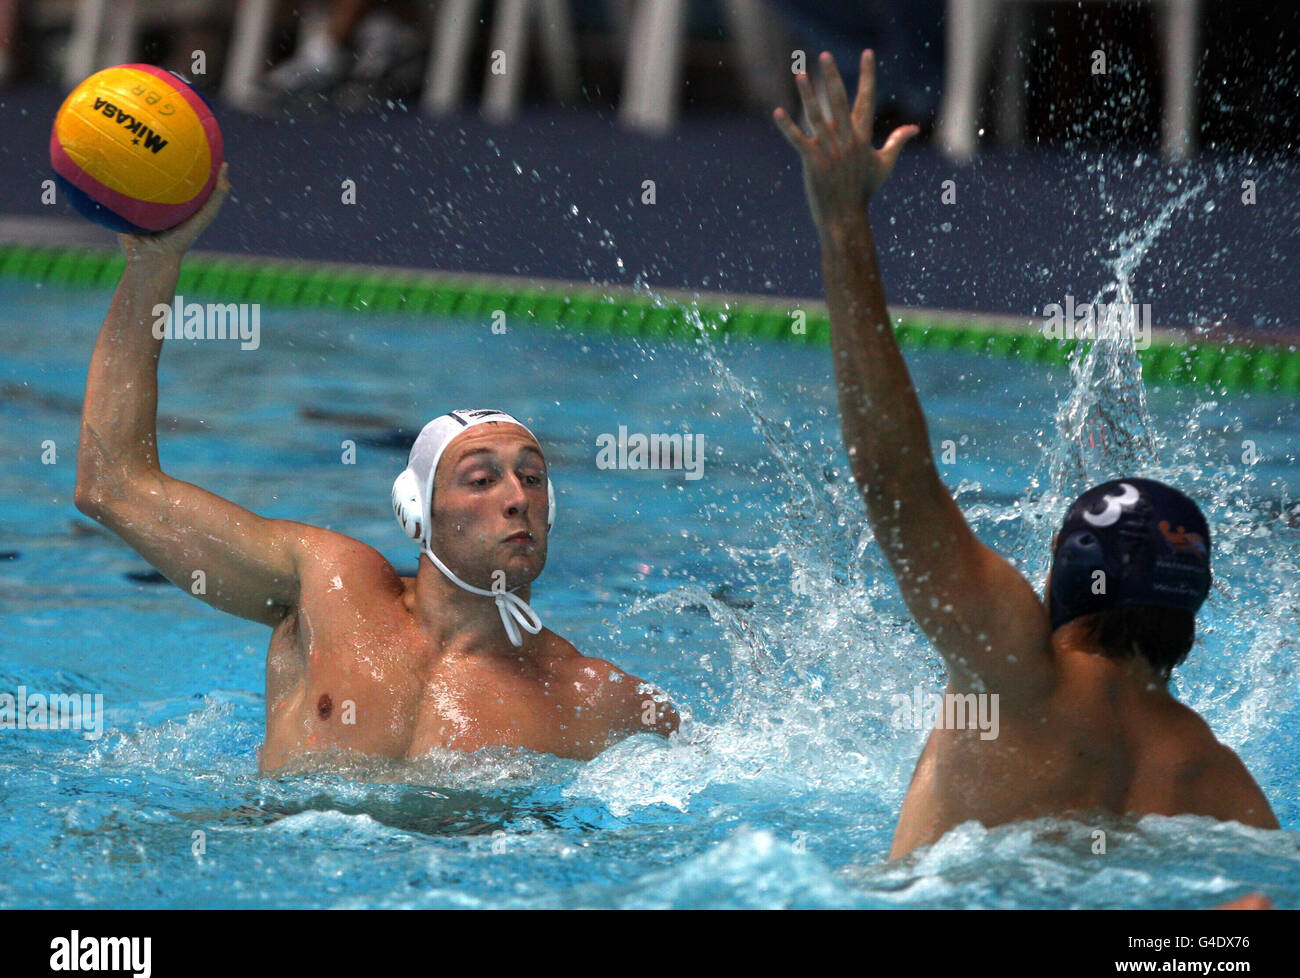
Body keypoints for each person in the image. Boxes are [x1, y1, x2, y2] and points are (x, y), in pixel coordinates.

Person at [773, 50, 1278, 859]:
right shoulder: (1221, 781)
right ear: (1190, 610)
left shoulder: (1010, 670)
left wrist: (842, 224)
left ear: (1064, 574)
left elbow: (891, 475)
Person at [73, 163, 678, 772]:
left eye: (533, 477)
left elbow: (752, 777)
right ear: (416, 513)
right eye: (481, 478)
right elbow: (113, 484)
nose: (517, 496)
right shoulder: (326, 588)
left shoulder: (590, 698)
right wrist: (152, 265)